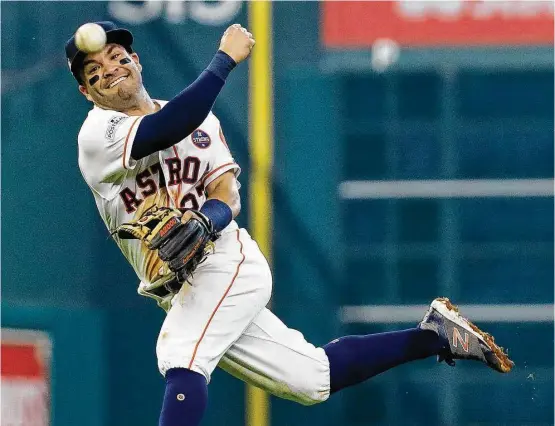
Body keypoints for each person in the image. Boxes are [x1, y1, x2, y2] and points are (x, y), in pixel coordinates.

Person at [67, 21, 513, 426]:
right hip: (177, 289)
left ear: (136, 60)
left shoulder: (204, 124)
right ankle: (434, 336)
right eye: (94, 72)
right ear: (88, 92)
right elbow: (169, 125)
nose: (109, 70)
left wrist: (206, 220)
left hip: (226, 261)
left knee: (180, 355)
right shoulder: (97, 134)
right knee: (311, 379)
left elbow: (226, 192)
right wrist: (224, 60)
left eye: (116, 57)